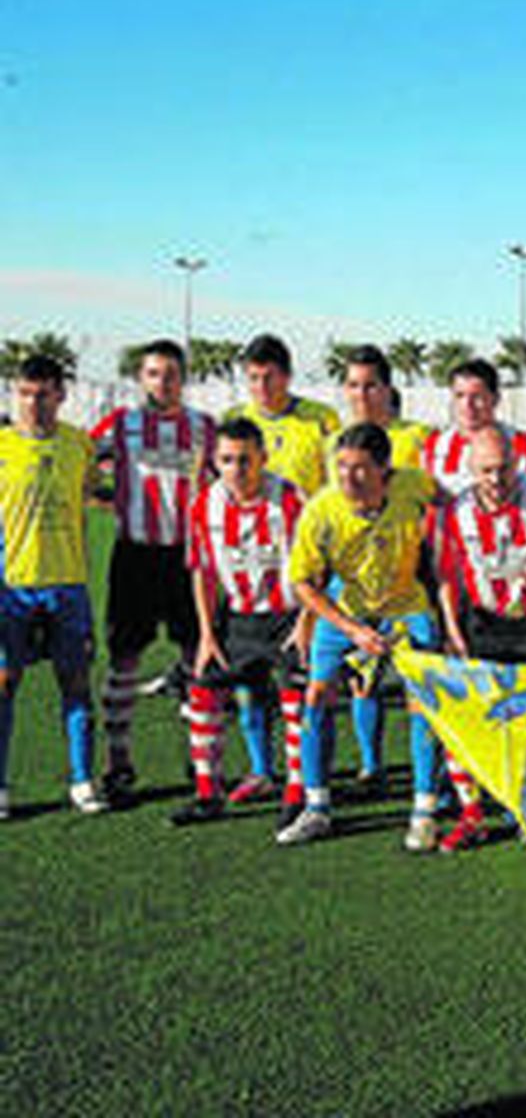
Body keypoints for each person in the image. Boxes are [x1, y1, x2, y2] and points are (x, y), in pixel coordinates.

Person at [280, 424, 443, 849]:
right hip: (347, 610)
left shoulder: (413, 486)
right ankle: (316, 807)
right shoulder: (321, 510)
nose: (348, 479)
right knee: (316, 695)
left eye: (360, 469)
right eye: (342, 468)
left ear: (385, 469)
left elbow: (447, 502)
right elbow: (303, 583)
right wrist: (352, 630)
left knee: (423, 698)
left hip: (407, 606)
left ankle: (425, 809)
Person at [91, 339, 217, 800]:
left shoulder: (205, 428)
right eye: (153, 374)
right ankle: (118, 761)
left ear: (184, 379)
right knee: (124, 659)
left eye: (170, 374)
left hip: (187, 559)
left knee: (197, 658)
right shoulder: (119, 424)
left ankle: (202, 764)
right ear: (140, 378)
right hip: (135, 556)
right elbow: (84, 469)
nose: (162, 382)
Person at [436, 426, 526, 853]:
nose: (496, 479)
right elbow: (444, 577)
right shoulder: (454, 511)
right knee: (469, 719)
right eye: (486, 471)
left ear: (517, 463)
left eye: (504, 469)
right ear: (471, 470)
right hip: (485, 625)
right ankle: (472, 813)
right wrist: (454, 634)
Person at [177, 418, 309, 825]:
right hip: (236, 620)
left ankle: (297, 792)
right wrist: (205, 634)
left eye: (245, 460)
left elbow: (315, 568)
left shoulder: (289, 499)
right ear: (216, 462)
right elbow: (202, 571)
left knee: (295, 702)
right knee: (202, 686)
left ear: (263, 458)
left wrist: (306, 622)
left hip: (288, 617)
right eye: (227, 460)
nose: (236, 469)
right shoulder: (205, 504)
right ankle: (207, 794)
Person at [0, 355, 104, 817]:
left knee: (76, 684)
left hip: (68, 586)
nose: (33, 403)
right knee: (4, 683)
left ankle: (82, 780)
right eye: (24, 393)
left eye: (43, 394)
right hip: (12, 588)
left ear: (61, 396)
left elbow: (97, 492)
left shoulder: (79, 444)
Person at [229, 334, 342, 497]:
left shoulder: (323, 419)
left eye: (268, 377)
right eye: (254, 378)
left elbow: (337, 482)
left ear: (287, 376)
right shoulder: (234, 418)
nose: (261, 386)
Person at [423, 358, 526, 498]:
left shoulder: (521, 446)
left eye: (477, 397)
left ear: (495, 399)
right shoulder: (436, 445)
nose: (467, 405)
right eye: (460, 396)